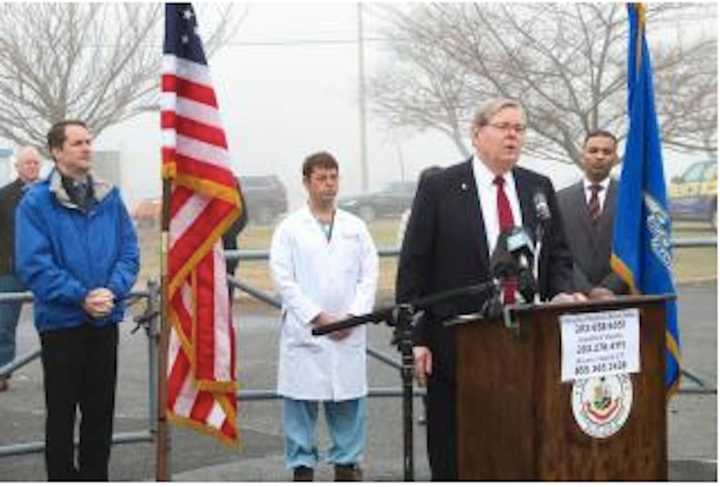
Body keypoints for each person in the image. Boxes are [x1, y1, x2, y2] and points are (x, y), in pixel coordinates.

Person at [396, 98, 584, 480]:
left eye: (519, 128)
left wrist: (563, 290)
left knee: (522, 445)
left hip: (529, 338)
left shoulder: (538, 187)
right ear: (477, 133)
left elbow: (559, 255)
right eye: (504, 126)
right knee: (458, 451)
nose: (513, 135)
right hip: (458, 342)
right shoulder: (440, 188)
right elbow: (414, 266)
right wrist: (416, 338)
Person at [14, 120, 139, 481]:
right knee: (62, 414)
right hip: (62, 324)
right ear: (57, 151)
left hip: (104, 320)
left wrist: (111, 291)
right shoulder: (36, 203)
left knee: (100, 414)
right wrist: (80, 296)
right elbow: (33, 264)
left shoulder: (110, 197)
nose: (87, 148)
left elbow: (129, 252)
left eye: (89, 141)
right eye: (78, 143)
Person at [269, 151, 379, 481]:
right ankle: (302, 468)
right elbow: (283, 279)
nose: (328, 184)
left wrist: (352, 317)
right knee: (300, 406)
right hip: (307, 334)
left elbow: (369, 274)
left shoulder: (355, 227)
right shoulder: (290, 228)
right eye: (321, 178)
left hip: (348, 331)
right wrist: (317, 317)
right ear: (306, 182)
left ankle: (346, 466)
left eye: (333, 177)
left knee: (347, 403)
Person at [557, 130, 629, 299]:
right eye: (593, 150)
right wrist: (587, 289)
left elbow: (633, 249)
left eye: (606, 152)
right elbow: (558, 252)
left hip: (619, 298)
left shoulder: (631, 199)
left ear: (616, 158)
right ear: (583, 155)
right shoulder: (559, 200)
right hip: (574, 298)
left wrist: (610, 288)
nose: (599, 156)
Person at [0, 146, 42, 392]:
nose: (31, 167)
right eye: (27, 163)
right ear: (17, 167)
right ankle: (3, 371)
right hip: (10, 270)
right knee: (4, 323)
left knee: (53, 322)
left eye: (35, 163)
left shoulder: (52, 194)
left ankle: (58, 370)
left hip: (44, 269)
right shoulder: (3, 196)